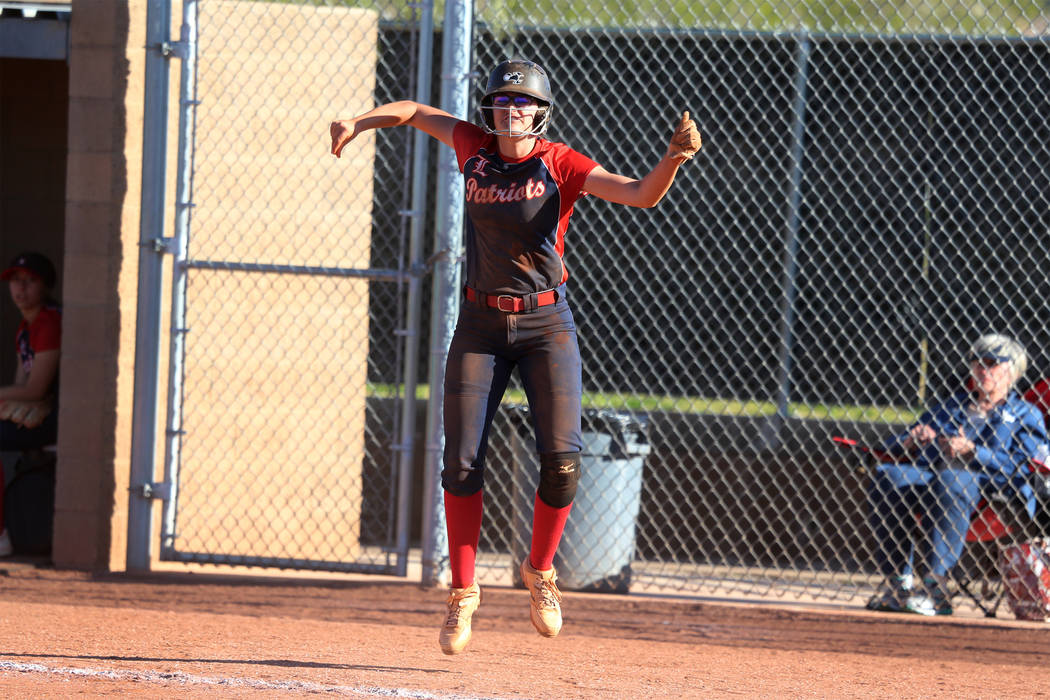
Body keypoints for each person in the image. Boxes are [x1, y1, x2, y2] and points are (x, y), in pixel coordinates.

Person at [330, 58, 700, 654]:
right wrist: (358, 120)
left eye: (522, 101)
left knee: (561, 462)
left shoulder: (560, 162)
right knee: (462, 463)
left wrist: (674, 158)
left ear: (541, 111)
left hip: (545, 323)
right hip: (479, 324)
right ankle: (463, 594)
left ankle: (541, 572)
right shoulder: (474, 147)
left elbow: (640, 196)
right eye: (502, 100)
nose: (511, 109)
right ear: (490, 110)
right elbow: (415, 111)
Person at [865, 334, 1047, 616]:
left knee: (953, 479)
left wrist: (973, 451)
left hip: (993, 496)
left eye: (991, 364)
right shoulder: (952, 405)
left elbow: (1025, 465)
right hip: (935, 480)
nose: (982, 371)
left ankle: (935, 589)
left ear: (1012, 372)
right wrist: (911, 440)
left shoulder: (1025, 413)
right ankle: (898, 584)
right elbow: (895, 443)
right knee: (890, 475)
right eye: (977, 363)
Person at [0, 252, 61, 557]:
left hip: (57, 419)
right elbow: (19, 385)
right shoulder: (25, 327)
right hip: (35, 415)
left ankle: (1, 534)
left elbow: (35, 390)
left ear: (45, 286)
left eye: (30, 281)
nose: (20, 289)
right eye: (15, 280)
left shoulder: (50, 321)